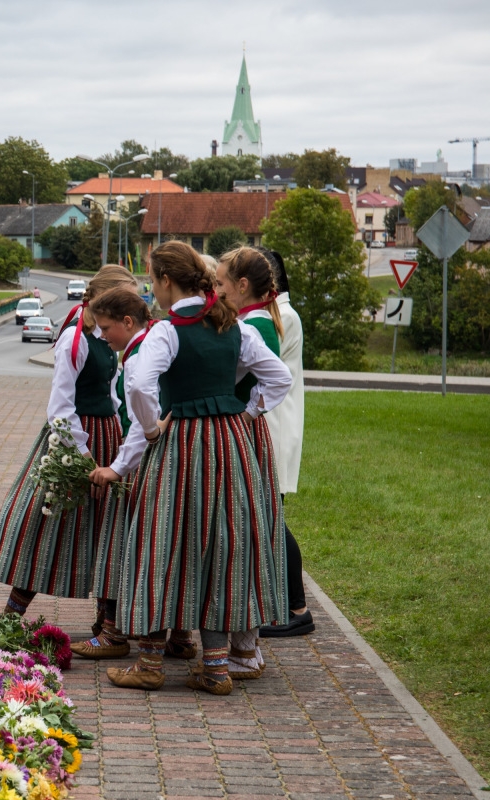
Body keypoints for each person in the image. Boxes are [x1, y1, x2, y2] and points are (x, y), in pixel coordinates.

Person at [108, 241, 291, 696]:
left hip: (183, 444)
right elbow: (279, 378)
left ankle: (150, 662)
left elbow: (139, 384)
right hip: (230, 445)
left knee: (161, 539)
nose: (153, 290)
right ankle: (217, 668)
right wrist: (244, 413)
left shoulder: (168, 331)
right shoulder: (233, 325)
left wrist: (150, 429)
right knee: (222, 546)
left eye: (153, 281)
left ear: (166, 281)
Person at [0, 266, 131, 651]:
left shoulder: (103, 336)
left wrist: (117, 437)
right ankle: (10, 618)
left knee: (106, 527)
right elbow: (60, 408)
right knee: (46, 525)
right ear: (105, 300)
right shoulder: (74, 340)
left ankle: (108, 623)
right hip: (73, 442)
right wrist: (82, 454)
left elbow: (110, 393)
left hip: (105, 436)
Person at [87, 287, 198, 664]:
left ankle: (115, 631)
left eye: (106, 328)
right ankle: (180, 634)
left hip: (146, 460)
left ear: (128, 322)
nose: (102, 335)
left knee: (130, 546)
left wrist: (119, 467)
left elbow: (139, 419)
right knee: (175, 543)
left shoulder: (139, 356)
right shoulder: (145, 345)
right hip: (163, 455)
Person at [215, 245, 288, 680]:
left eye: (222, 284)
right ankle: (246, 644)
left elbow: (272, 379)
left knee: (243, 534)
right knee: (248, 529)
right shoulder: (257, 318)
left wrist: (246, 414)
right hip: (247, 432)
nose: (217, 291)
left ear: (242, 286)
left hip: (240, 431)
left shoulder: (253, 324)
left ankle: (244, 644)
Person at [257, 248, 313, 638]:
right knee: (269, 519)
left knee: (273, 521)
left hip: (274, 426)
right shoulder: (276, 314)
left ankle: (298, 609)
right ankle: (283, 604)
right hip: (270, 423)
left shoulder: (283, 317)